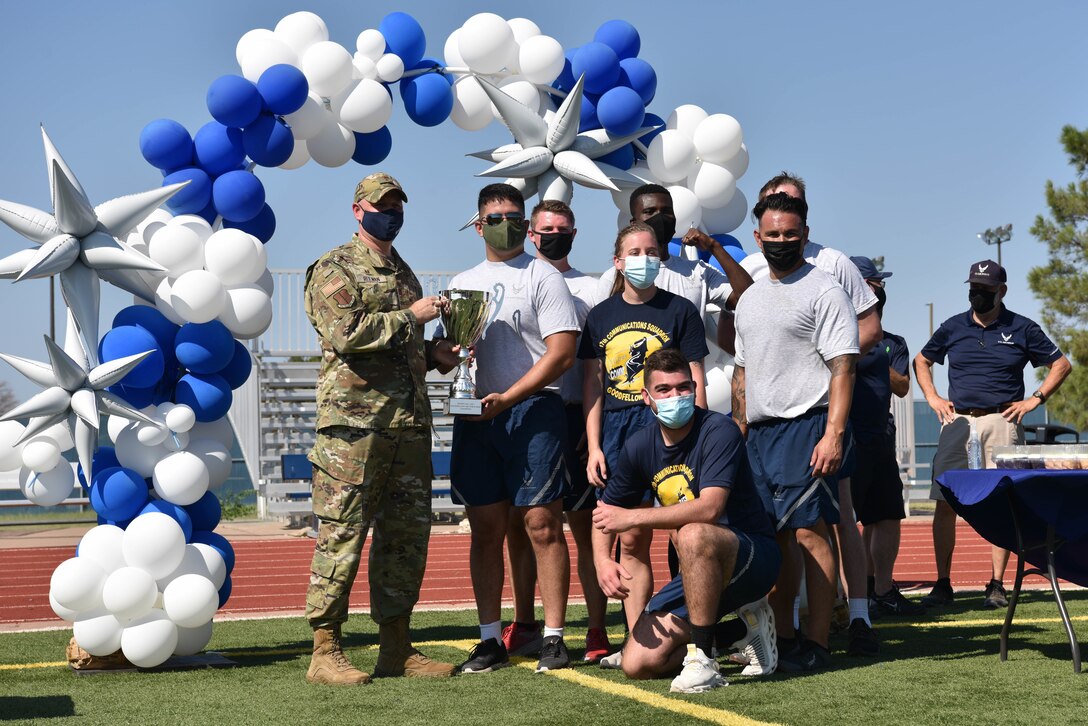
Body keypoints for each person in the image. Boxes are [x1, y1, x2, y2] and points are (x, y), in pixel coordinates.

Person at [303, 172, 460, 685]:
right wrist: (411, 318)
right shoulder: (335, 267)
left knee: (405, 541)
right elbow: (346, 335)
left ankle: (397, 648)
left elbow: (403, 348)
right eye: (381, 205)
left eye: (397, 205)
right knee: (342, 536)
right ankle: (325, 652)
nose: (390, 212)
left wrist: (436, 355)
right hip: (354, 432)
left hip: (408, 428)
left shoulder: (404, 272)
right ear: (358, 210)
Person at [733, 172, 879, 656]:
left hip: (809, 425)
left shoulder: (825, 290)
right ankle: (785, 636)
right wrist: (740, 427)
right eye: (772, 235)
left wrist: (833, 433)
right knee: (775, 538)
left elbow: (844, 368)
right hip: (760, 434)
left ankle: (817, 639)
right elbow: (742, 372)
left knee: (809, 532)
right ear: (758, 237)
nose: (780, 242)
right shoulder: (750, 297)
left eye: (790, 235)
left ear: (805, 234)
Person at [445, 183, 580, 674]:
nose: (507, 223)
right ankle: (488, 638)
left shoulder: (543, 276)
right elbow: (447, 356)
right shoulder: (462, 281)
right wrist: (444, 349)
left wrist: (509, 398)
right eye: (496, 216)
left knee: (542, 525)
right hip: (477, 415)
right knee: (485, 530)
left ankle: (553, 636)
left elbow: (562, 352)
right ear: (478, 224)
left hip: (532, 412)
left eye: (514, 215)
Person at [591, 349, 780, 693]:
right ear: (647, 398)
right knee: (638, 663)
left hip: (752, 557)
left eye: (682, 388)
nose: (675, 397)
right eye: (664, 390)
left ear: (694, 388)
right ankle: (742, 633)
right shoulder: (639, 446)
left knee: (692, 532)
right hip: (699, 566)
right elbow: (606, 511)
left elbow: (710, 508)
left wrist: (632, 517)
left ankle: (704, 662)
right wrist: (603, 559)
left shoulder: (719, 430)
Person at [580, 222, 709, 658]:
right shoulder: (599, 316)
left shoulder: (681, 310)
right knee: (630, 538)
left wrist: (699, 431)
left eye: (651, 251)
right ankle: (638, 639)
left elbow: (695, 378)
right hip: (618, 434)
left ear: (662, 257)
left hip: (673, 433)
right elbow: (593, 387)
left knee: (684, 532)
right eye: (633, 252)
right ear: (618, 261)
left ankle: (698, 634)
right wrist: (595, 445)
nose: (643, 259)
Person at [915, 259, 1071, 609]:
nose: (978, 294)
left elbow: (1061, 365)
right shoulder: (953, 327)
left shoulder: (1022, 327)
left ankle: (996, 584)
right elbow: (922, 360)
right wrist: (933, 397)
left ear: (1001, 291)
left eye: (985, 289)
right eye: (973, 288)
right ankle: (943, 583)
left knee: (1003, 504)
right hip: (957, 423)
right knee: (944, 501)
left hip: (1002, 422)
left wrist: (1035, 400)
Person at [502, 199, 611, 664]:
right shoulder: (515, 280)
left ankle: (596, 627)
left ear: (574, 232)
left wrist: (595, 428)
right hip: (524, 416)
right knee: (522, 526)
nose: (553, 235)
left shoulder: (591, 287)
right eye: (546, 229)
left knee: (587, 529)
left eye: (562, 228)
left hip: (574, 415)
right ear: (530, 232)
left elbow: (598, 366)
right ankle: (525, 621)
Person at [846, 256, 925, 617]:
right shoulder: (836, 335)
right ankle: (851, 596)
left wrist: (877, 353)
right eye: (875, 283)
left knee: (888, 516)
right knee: (847, 521)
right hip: (847, 440)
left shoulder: (894, 342)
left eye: (881, 285)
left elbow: (904, 386)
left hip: (880, 437)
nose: (881, 290)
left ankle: (884, 590)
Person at [595, 184, 753, 324]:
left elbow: (749, 300)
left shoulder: (698, 272)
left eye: (666, 211)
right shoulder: (613, 277)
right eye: (650, 212)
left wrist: (714, 246)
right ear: (634, 223)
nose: (660, 218)